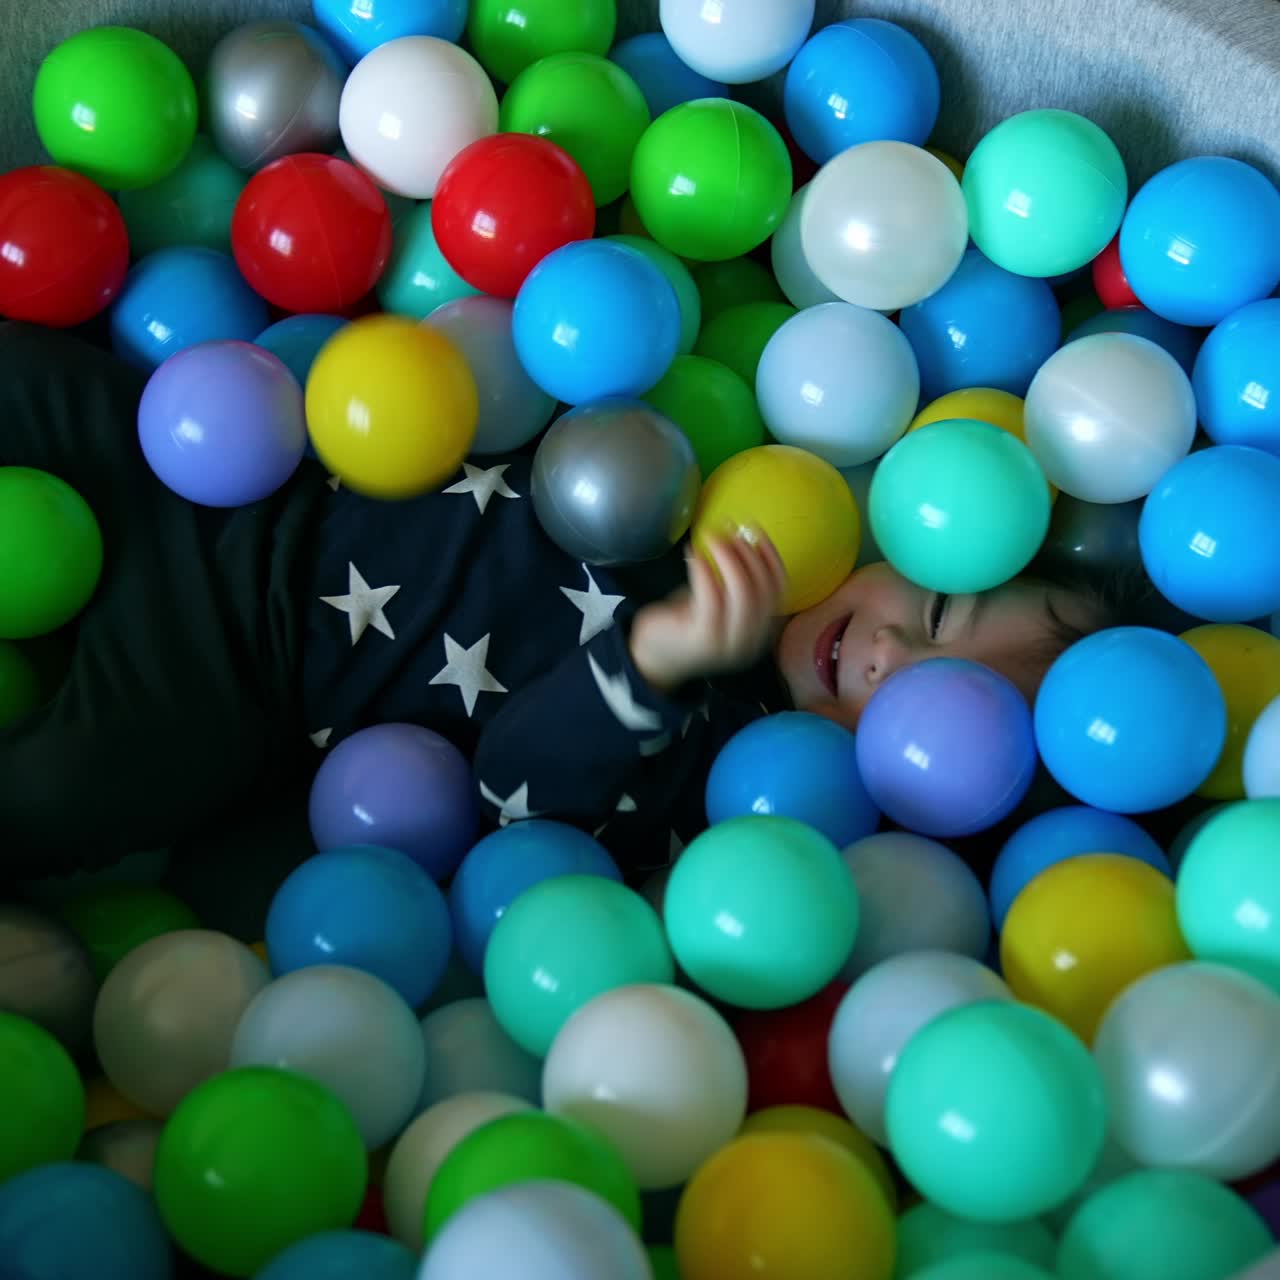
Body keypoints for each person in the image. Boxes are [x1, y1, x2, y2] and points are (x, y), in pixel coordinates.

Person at [0, 322, 1157, 885]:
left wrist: (654, 663)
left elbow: (517, 788)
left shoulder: (716, 767)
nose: (889, 649)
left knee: (69, 788)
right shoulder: (763, 493)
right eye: (942, 610)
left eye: (933, 709)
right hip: (224, 463)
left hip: (232, 670)